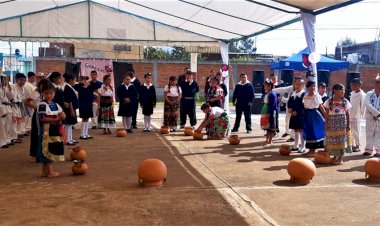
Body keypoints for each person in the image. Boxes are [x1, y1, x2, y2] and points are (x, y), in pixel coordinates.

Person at [36, 81, 66, 177]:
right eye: (46, 93)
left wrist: (62, 115)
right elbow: (42, 118)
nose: (49, 95)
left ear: (54, 93)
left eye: (51, 93)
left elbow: (63, 115)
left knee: (52, 148)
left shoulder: (56, 105)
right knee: (47, 148)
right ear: (42, 94)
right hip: (46, 129)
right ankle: (49, 171)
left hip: (54, 129)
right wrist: (56, 118)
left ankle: (45, 171)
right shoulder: (42, 105)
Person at [324, 84, 351, 165]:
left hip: (342, 123)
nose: (343, 91)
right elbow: (327, 113)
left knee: (341, 140)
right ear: (335, 90)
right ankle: (334, 156)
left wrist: (348, 125)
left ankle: (340, 158)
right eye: (341, 90)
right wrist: (326, 123)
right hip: (332, 123)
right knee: (333, 140)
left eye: (343, 90)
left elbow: (348, 114)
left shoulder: (345, 101)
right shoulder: (329, 101)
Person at [25, 79, 50, 161]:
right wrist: (37, 107)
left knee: (43, 133)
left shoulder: (43, 93)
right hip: (38, 115)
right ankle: (34, 155)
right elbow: (27, 102)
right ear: (41, 85)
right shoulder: (36, 93)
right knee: (36, 133)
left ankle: (40, 153)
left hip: (44, 113)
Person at [302, 81, 326, 157]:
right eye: (311, 86)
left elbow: (320, 106)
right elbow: (304, 105)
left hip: (314, 115)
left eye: (314, 86)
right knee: (308, 132)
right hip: (307, 115)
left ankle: (313, 150)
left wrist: (326, 116)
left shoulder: (316, 96)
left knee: (314, 131)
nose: (312, 88)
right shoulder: (305, 96)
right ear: (307, 87)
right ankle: (310, 150)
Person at [287, 77, 306, 153]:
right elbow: (289, 102)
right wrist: (290, 108)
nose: (297, 86)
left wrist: (297, 111)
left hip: (301, 115)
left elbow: (304, 106)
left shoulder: (304, 94)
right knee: (296, 130)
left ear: (303, 85)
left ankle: (303, 146)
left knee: (301, 130)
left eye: (299, 84)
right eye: (296, 84)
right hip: (294, 115)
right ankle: (296, 145)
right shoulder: (293, 93)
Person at [363, 75, 380, 157]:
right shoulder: (369, 94)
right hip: (370, 117)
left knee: (378, 134)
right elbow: (367, 104)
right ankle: (368, 150)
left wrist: (378, 115)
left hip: (379, 119)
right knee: (369, 133)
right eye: (377, 82)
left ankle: (378, 151)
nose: (378, 84)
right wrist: (376, 114)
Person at [349, 78, 366, 153]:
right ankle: (352, 145)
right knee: (351, 131)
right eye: (351, 85)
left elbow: (363, 106)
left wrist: (361, 115)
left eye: (353, 85)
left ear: (358, 85)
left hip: (357, 116)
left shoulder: (362, 95)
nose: (352, 87)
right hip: (351, 115)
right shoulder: (352, 93)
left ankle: (358, 145)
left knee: (357, 131)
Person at [62, 73, 79, 145]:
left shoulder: (69, 87)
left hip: (72, 108)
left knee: (70, 124)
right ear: (70, 80)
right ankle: (67, 140)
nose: (75, 82)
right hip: (69, 109)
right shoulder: (67, 88)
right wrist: (72, 110)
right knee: (68, 124)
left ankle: (70, 138)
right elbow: (69, 100)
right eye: (74, 80)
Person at [261, 79, 278, 146]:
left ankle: (270, 141)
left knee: (270, 127)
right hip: (266, 109)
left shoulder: (272, 94)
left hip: (270, 111)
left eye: (266, 86)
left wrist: (269, 113)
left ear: (270, 86)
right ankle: (267, 140)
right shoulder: (267, 93)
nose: (265, 88)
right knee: (266, 126)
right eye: (264, 86)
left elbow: (272, 105)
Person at [11, 73, 28, 141]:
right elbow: (13, 98)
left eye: (24, 80)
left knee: (20, 120)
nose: (23, 82)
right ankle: (14, 136)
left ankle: (18, 133)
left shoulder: (23, 87)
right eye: (21, 80)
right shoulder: (13, 87)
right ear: (16, 80)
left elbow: (24, 97)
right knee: (14, 121)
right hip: (14, 105)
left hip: (21, 105)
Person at [0, 75, 14, 146]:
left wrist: (9, 87)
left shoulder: (5, 88)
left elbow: (11, 97)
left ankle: (7, 139)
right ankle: (2, 142)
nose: (5, 81)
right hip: (2, 107)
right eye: (4, 79)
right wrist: (1, 111)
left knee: (8, 126)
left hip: (7, 107)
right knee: (2, 126)